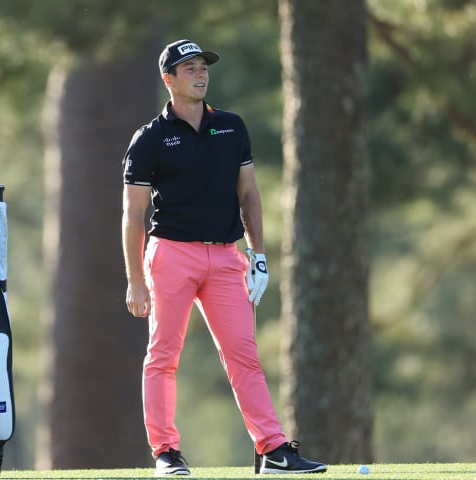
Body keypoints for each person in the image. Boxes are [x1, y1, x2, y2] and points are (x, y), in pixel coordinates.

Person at [121, 39, 327, 476]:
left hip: (226, 257)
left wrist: (260, 255)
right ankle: (166, 453)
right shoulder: (150, 138)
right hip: (172, 255)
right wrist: (135, 278)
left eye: (203, 67)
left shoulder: (231, 127)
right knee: (163, 355)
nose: (200, 74)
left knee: (244, 355)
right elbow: (134, 214)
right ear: (169, 79)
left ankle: (272, 449)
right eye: (189, 68)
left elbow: (248, 194)